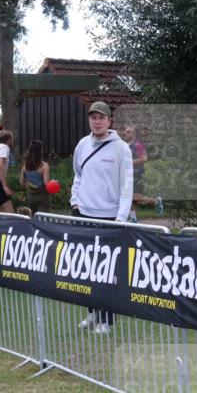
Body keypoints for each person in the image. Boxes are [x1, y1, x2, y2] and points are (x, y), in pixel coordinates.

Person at [71, 101, 132, 334]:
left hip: (109, 217)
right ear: (89, 120)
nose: (97, 122)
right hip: (84, 214)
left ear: (109, 121)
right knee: (86, 268)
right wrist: (74, 201)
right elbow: (78, 174)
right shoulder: (82, 145)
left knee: (107, 270)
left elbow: (127, 186)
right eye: (93, 117)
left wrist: (121, 218)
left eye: (101, 118)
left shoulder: (121, 149)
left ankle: (107, 319)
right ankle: (92, 313)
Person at [122, 125, 161, 222]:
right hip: (129, 176)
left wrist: (130, 163)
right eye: (125, 131)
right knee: (130, 200)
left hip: (137, 175)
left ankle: (156, 201)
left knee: (137, 199)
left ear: (134, 134)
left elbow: (144, 158)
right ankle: (134, 220)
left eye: (128, 132)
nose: (125, 133)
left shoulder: (137, 145)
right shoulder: (126, 145)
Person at [19, 139, 51, 215]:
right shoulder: (44, 166)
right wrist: (54, 183)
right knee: (43, 217)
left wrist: (28, 185)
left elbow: (21, 182)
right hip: (43, 197)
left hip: (31, 196)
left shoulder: (25, 166)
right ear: (40, 152)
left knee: (33, 216)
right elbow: (47, 183)